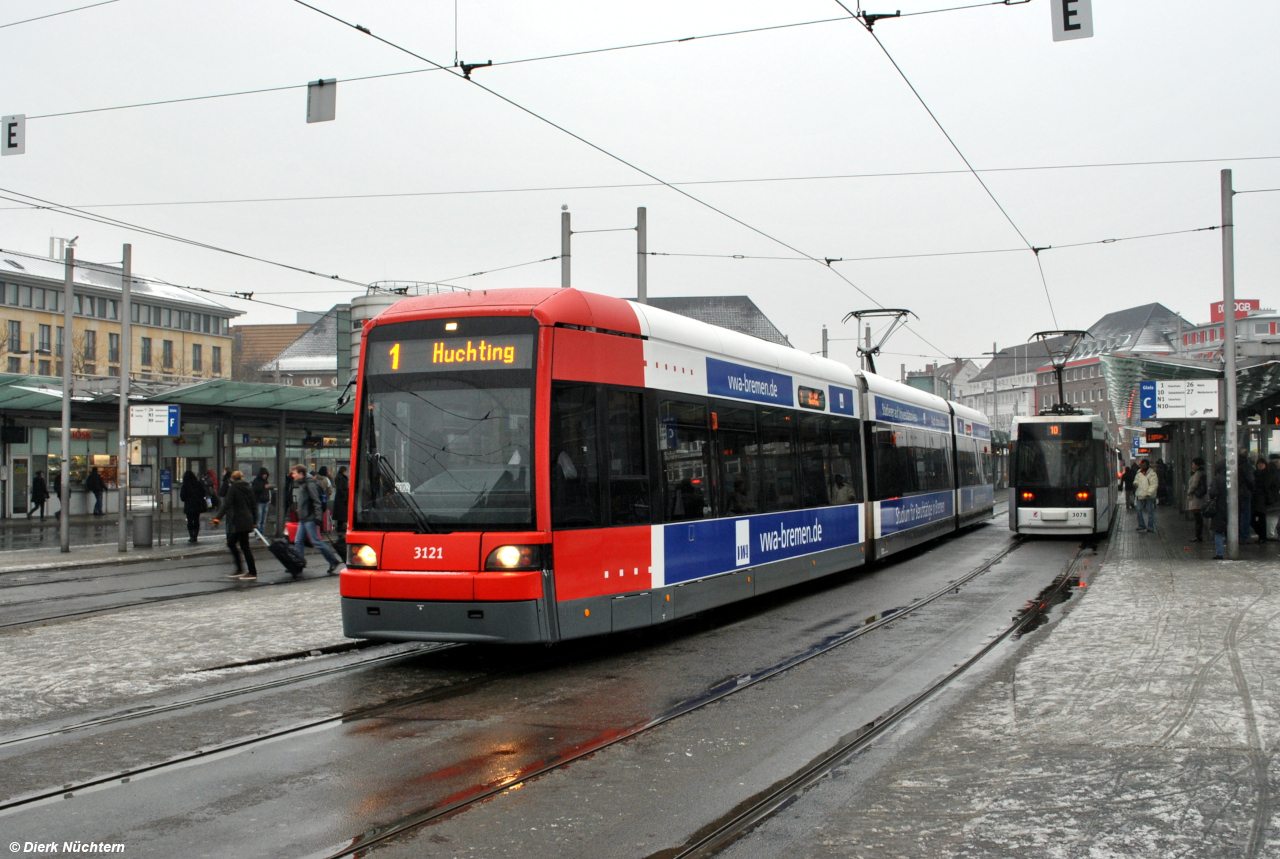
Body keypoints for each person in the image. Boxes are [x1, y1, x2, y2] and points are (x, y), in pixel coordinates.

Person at [291, 464, 343, 574]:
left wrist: (318, 517)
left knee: (316, 541)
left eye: (294, 473)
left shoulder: (309, 484)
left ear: (301, 473)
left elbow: (317, 502)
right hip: (304, 518)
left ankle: (333, 560)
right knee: (298, 541)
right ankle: (299, 564)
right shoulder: (303, 484)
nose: (292, 475)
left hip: (310, 518)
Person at [213, 470, 259, 580]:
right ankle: (240, 569)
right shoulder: (249, 487)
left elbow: (227, 505)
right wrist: (255, 522)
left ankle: (251, 572)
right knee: (233, 543)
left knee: (242, 546)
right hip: (247, 520)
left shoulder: (233, 488)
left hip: (239, 521)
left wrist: (217, 518)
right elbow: (254, 505)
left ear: (232, 479)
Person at [1209, 460, 1230, 559]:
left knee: (1218, 531)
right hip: (1231, 508)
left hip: (1219, 507)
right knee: (1230, 530)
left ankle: (1219, 553)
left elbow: (1212, 493)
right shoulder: (1233, 478)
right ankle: (1232, 550)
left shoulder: (1217, 479)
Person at [179, 470, 206, 543]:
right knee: (196, 520)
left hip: (189, 505)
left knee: (190, 521)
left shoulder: (185, 485)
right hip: (197, 505)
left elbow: (182, 497)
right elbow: (203, 493)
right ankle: (195, 536)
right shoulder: (198, 484)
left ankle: (191, 536)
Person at [1251, 459, 1274, 542]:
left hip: (1262, 499)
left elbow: (1266, 485)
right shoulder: (1255, 473)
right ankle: (1262, 536)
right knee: (1254, 518)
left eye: (1262, 464)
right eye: (1259, 464)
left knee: (1261, 518)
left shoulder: (1267, 474)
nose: (1260, 465)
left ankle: (1262, 537)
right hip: (1256, 499)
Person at [1185, 458, 1207, 542]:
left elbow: (1194, 484)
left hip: (1196, 498)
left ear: (1197, 465)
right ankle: (1198, 535)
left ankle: (1198, 535)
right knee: (1197, 517)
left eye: (1193, 464)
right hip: (1198, 497)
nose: (1192, 466)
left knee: (1197, 517)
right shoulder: (1200, 472)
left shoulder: (1198, 473)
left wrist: (1189, 491)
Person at [1134, 459, 1158, 533]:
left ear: (1147, 465)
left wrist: (1149, 493)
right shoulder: (1139, 472)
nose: (1142, 466)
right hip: (1141, 495)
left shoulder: (1152, 474)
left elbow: (1154, 484)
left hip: (1149, 496)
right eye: (1142, 465)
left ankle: (1150, 526)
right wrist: (1135, 483)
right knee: (1138, 510)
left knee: (1150, 511)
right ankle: (1141, 525)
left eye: (1144, 465)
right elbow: (1136, 480)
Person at [1238, 455, 1255, 543]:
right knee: (1245, 515)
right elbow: (1251, 480)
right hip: (1245, 493)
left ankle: (1237, 534)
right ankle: (1244, 536)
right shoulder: (1247, 467)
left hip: (1236, 494)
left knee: (1238, 514)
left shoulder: (1236, 466)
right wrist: (1253, 489)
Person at [251, 468, 272, 533]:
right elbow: (254, 490)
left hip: (265, 501)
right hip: (259, 501)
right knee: (259, 519)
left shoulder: (265, 481)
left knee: (263, 519)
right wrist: (263, 487)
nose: (265, 476)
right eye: (264, 474)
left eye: (266, 474)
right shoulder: (256, 481)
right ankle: (258, 533)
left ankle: (261, 532)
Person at [332, 465, 349, 533]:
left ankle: (340, 526)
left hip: (341, 497)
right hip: (341, 498)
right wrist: (344, 495)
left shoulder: (339, 477)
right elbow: (340, 488)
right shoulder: (340, 477)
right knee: (341, 514)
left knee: (341, 514)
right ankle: (340, 527)